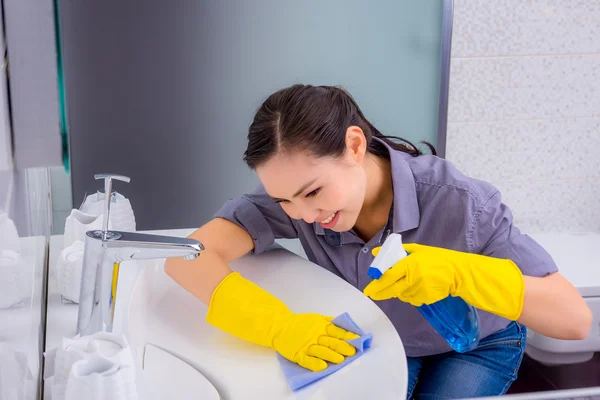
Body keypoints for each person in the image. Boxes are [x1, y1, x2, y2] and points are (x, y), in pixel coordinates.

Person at [165, 84, 592, 399]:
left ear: (354, 145)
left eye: (313, 192)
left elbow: (574, 320)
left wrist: (460, 273)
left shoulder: (462, 201)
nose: (304, 215)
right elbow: (186, 259)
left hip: (477, 343)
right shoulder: (301, 198)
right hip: (385, 335)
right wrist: (277, 325)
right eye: (283, 200)